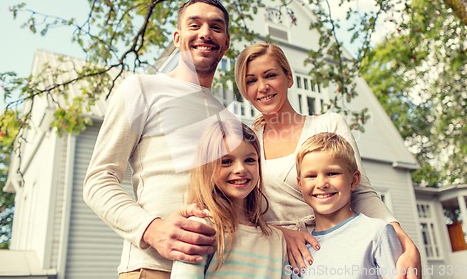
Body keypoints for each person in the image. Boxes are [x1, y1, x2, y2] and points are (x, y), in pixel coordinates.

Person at [234, 42, 421, 279]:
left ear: (289, 78)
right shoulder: (248, 142)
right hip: (273, 256)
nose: (263, 87)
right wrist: (281, 234)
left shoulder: (327, 125)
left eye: (270, 75)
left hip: (334, 246)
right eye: (251, 81)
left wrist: (405, 242)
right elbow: (242, 210)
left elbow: (362, 193)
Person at [83, 0, 234, 279]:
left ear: (226, 42)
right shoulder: (143, 88)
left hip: (218, 271)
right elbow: (98, 180)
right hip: (152, 268)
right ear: (178, 38)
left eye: (216, 27)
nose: (205, 33)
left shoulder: (229, 120)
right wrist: (153, 230)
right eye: (194, 25)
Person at [171, 120, 289, 278]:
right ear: (207, 168)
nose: (240, 169)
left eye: (249, 160)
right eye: (226, 162)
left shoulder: (276, 239)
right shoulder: (200, 229)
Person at [292, 132, 402, 278]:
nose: (321, 184)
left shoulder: (377, 233)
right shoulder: (301, 250)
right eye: (311, 176)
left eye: (332, 173)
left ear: (354, 180)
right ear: (300, 184)